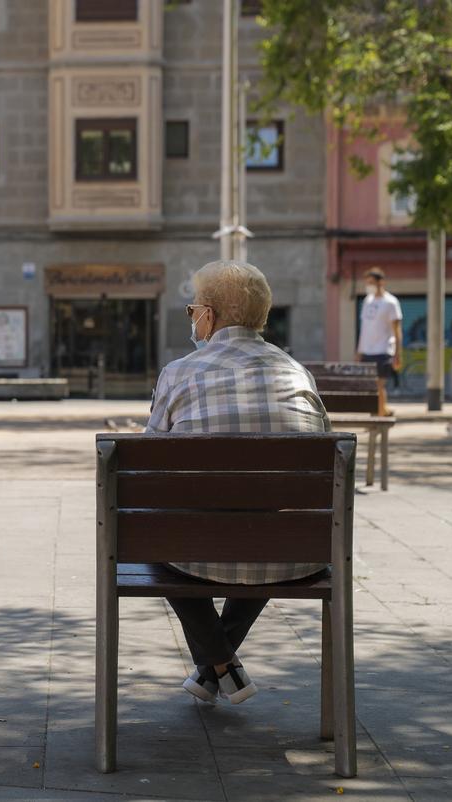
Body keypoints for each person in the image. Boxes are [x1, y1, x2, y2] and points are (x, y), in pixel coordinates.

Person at [146, 260, 331, 705]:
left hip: (197, 556)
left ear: (209, 315)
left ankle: (219, 662)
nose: (192, 319)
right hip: (295, 552)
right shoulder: (297, 374)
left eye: (193, 310)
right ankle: (220, 665)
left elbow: (148, 471)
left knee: (146, 530)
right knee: (266, 523)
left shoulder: (179, 373)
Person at [355, 267, 402, 416]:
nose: (368, 285)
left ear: (381, 282)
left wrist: (397, 354)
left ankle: (380, 415)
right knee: (371, 387)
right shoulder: (367, 301)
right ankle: (381, 412)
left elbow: (397, 330)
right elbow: (364, 328)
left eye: (371, 282)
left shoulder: (391, 302)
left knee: (379, 385)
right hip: (366, 351)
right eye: (366, 282)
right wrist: (359, 351)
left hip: (383, 350)